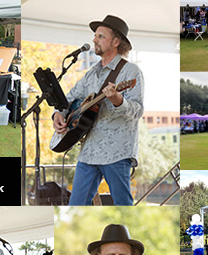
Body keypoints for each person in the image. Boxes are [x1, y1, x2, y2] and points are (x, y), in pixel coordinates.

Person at [52, 15, 144, 206]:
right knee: (75, 206)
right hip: (89, 151)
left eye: (101, 36)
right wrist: (58, 114)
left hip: (116, 152)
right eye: (95, 36)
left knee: (123, 206)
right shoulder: (91, 73)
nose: (94, 40)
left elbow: (137, 110)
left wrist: (118, 100)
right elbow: (68, 99)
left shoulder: (131, 72)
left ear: (116, 41)